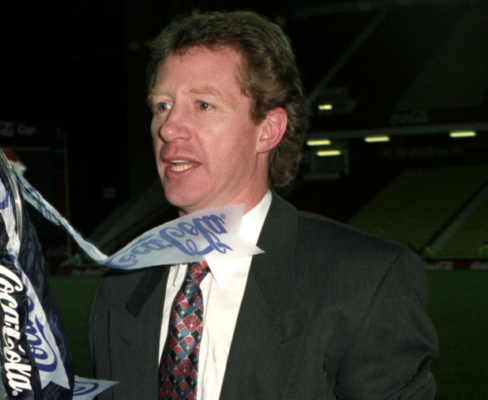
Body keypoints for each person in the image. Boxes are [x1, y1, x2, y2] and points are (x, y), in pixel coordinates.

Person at [88, 10, 438, 400]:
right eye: (162, 106)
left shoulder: (367, 282)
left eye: (202, 105)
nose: (167, 128)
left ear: (267, 130)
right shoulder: (121, 286)